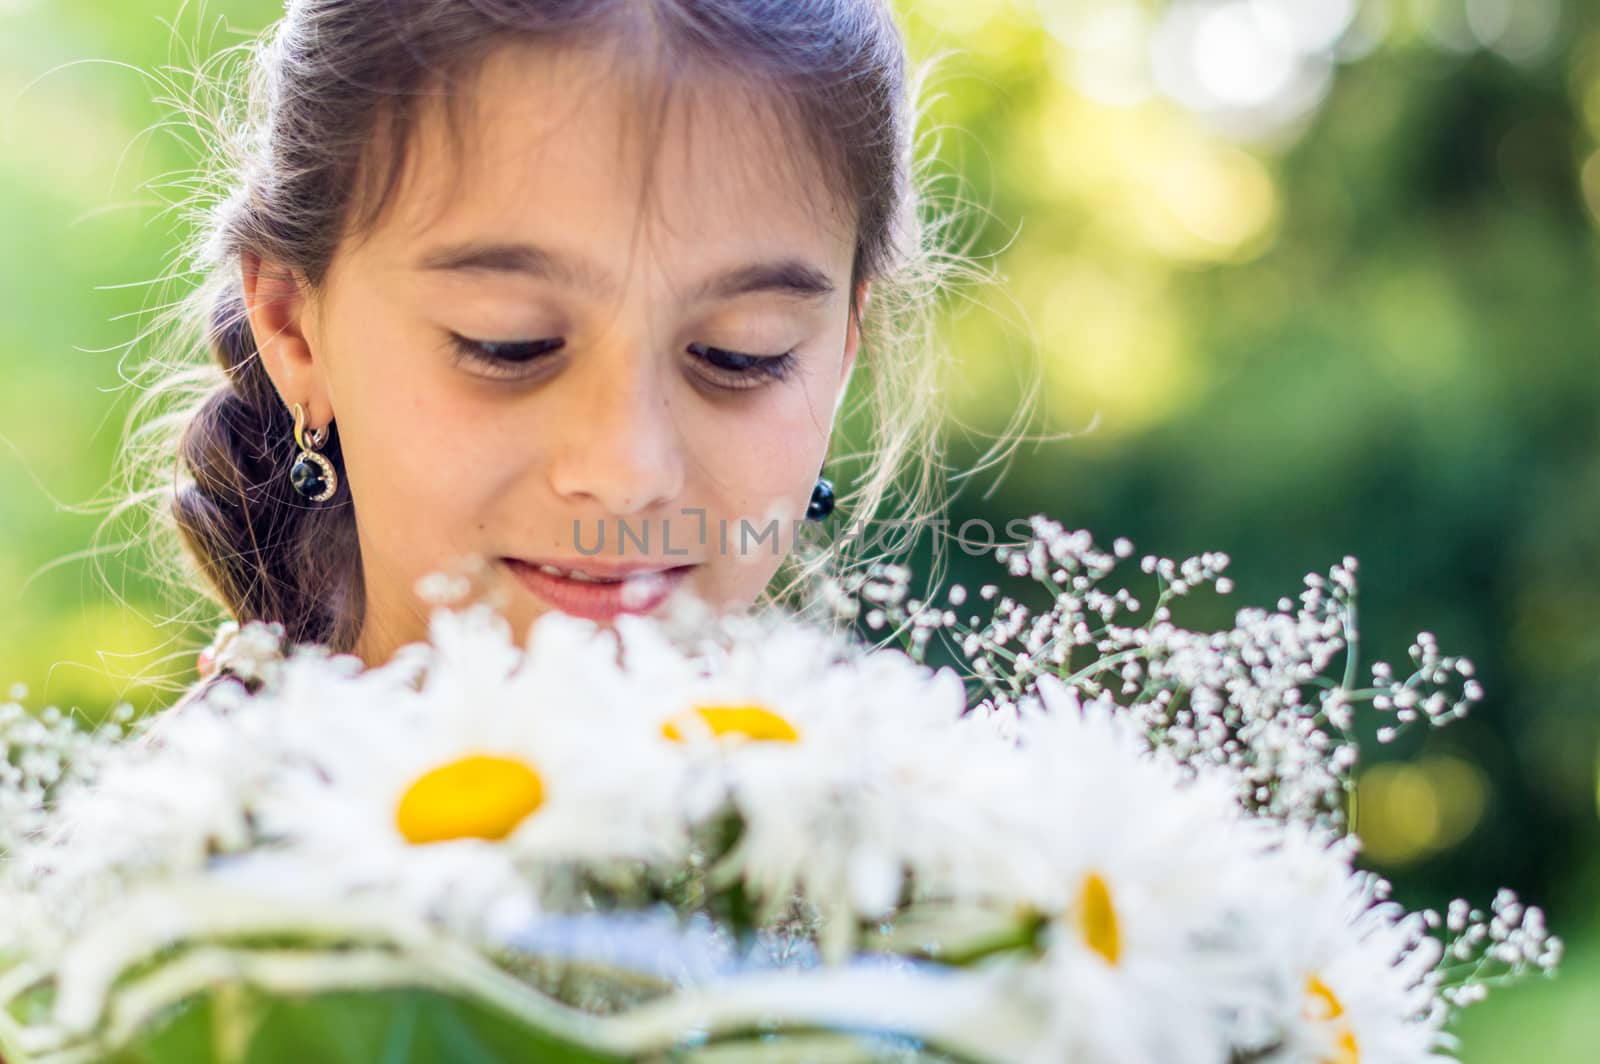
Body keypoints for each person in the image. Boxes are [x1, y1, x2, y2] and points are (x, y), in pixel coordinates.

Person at [118, 0, 1026, 698]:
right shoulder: (167, 908)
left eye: (740, 355)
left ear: (839, 353)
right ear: (292, 327)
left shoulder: (961, 885)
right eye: (508, 345)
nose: (627, 470)